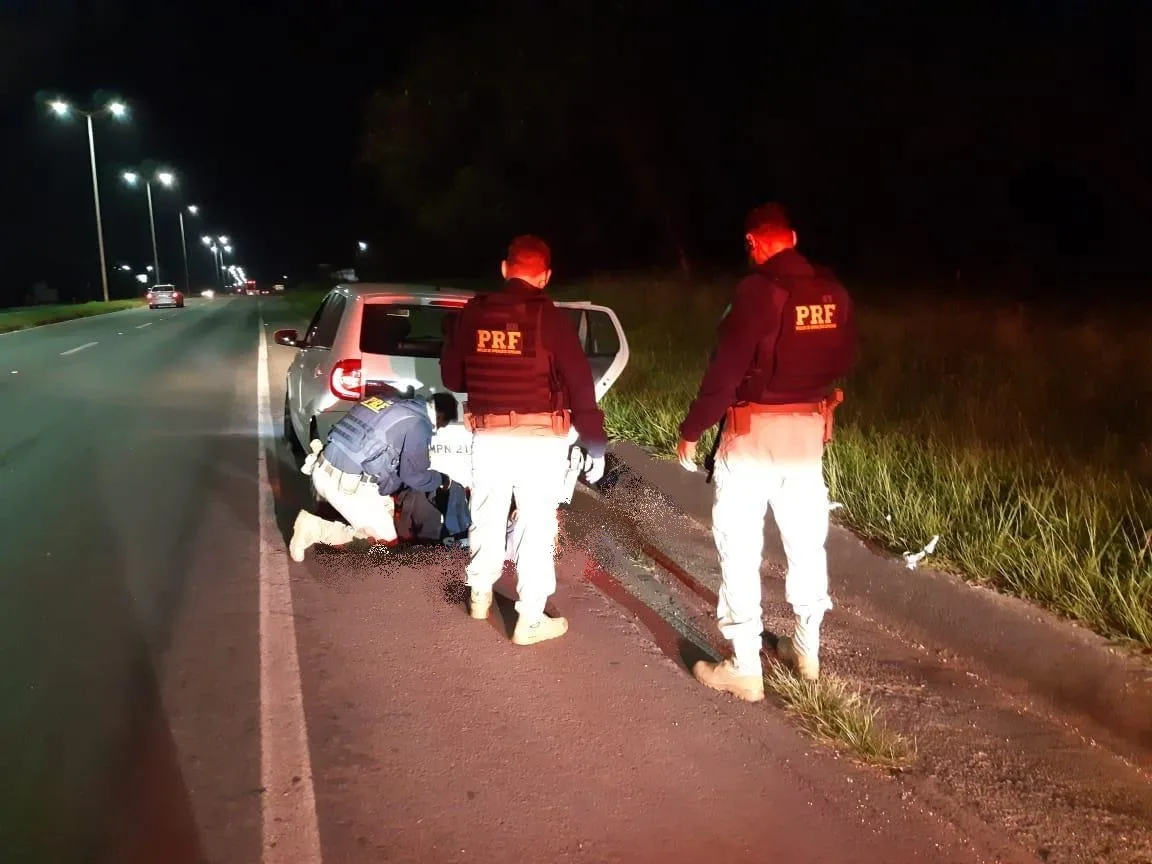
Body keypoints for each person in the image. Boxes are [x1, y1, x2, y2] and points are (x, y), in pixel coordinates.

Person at [676, 203, 857, 698]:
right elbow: (845, 356)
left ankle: (744, 667)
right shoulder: (833, 292)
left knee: (740, 548)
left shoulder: (757, 292)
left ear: (753, 244)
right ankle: (806, 650)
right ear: (794, 237)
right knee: (805, 545)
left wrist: (692, 429)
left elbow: (725, 371)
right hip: (807, 438)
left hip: (752, 436)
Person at [440, 235, 605, 646]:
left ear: (504, 269)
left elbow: (451, 378)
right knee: (535, 525)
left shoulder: (473, 314)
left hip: (489, 436)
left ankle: (479, 594)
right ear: (546, 276)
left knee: (487, 513)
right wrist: (595, 442)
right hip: (539, 442)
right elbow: (580, 385)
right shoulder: (550, 319)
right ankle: (529, 618)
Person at [289, 392, 463, 562]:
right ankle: (317, 529)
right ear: (440, 417)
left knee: (384, 509)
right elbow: (414, 476)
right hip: (345, 485)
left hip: (321, 469)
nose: (437, 429)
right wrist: (442, 479)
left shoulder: (386, 401)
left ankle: (355, 524)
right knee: (384, 546)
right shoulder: (419, 424)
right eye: (442, 425)